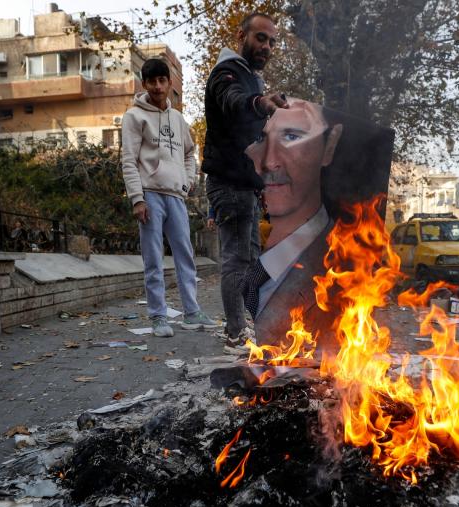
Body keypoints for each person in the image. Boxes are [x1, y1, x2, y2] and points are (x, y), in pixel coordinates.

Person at [202, 12, 289, 355]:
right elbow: (233, 101)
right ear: (242, 35)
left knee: (250, 261)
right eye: (260, 38)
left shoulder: (250, 77)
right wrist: (261, 103)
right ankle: (236, 334)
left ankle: (243, 326)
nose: (266, 47)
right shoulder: (228, 73)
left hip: (246, 188)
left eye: (271, 42)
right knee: (237, 261)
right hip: (230, 186)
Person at [121, 58, 218, 337]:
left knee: (185, 254)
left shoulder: (178, 119)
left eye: (162, 80)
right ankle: (158, 316)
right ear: (144, 84)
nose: (157, 86)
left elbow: (190, 152)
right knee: (153, 257)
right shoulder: (134, 117)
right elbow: (128, 159)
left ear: (169, 83)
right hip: (149, 194)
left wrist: (187, 182)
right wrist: (136, 198)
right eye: (151, 81)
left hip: (175, 196)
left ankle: (191, 312)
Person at [242, 99, 344, 348]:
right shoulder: (256, 257)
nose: (268, 162)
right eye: (261, 139)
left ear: (329, 147)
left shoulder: (345, 267)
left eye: (290, 136)